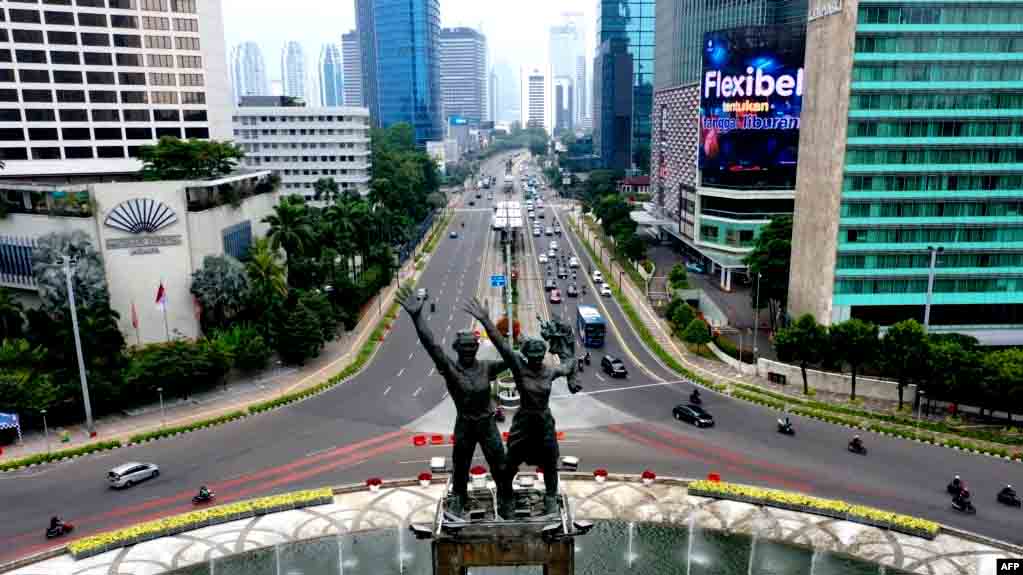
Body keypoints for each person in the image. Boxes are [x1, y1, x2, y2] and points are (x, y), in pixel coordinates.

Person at [399, 288, 511, 520]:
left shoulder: (487, 368)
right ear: (457, 349)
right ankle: (459, 498)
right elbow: (432, 346)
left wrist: (487, 322)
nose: (469, 350)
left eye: (472, 346)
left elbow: (510, 357)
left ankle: (505, 497)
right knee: (460, 467)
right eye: (465, 347)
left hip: (487, 424)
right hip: (465, 425)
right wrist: (417, 317)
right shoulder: (450, 369)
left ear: (477, 348)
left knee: (500, 465)